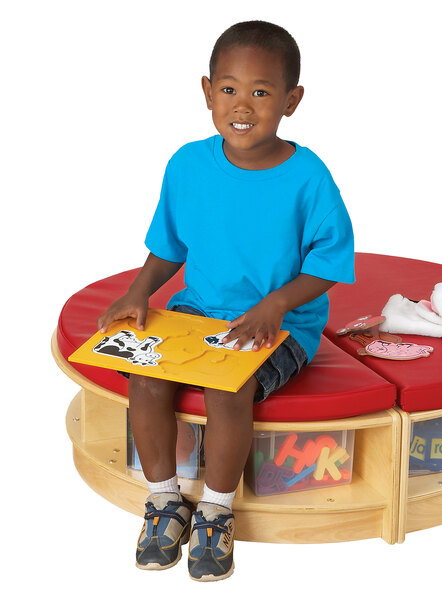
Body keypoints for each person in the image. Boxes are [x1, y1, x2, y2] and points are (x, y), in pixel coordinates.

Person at [97, 20, 354, 582]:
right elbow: (169, 246)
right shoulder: (187, 164)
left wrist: (276, 306)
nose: (243, 105)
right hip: (197, 309)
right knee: (146, 375)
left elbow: (329, 265)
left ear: (292, 100)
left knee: (228, 385)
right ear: (208, 91)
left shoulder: (308, 176)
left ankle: (215, 509)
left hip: (283, 323)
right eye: (230, 89)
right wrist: (138, 293)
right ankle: (165, 500)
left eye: (262, 92)